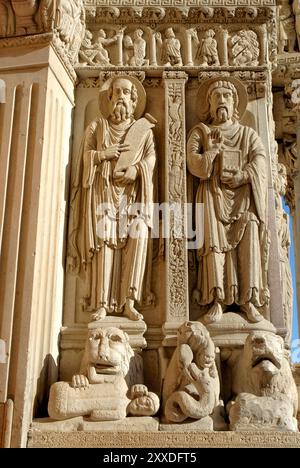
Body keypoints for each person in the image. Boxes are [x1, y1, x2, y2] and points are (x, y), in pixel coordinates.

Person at [68, 76, 156, 321]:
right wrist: (102, 154)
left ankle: (129, 301)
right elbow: (84, 158)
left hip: (133, 195)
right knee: (104, 244)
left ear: (134, 99)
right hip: (103, 192)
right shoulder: (97, 127)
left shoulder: (143, 131)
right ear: (109, 98)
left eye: (126, 92)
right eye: (116, 92)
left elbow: (151, 159)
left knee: (136, 241)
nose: (121, 97)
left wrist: (136, 170)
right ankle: (102, 302)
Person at [187, 77, 270, 324]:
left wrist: (244, 175)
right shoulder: (200, 133)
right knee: (212, 244)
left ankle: (249, 300)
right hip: (212, 196)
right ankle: (216, 300)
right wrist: (210, 151)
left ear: (234, 103)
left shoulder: (248, 134)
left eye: (227, 96)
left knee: (250, 235)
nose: (222, 100)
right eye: (216, 96)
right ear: (209, 104)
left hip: (243, 197)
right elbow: (194, 165)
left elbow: (260, 161)